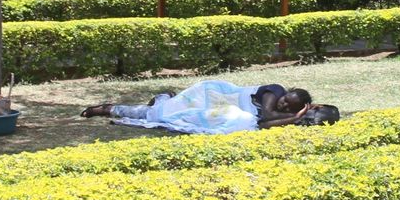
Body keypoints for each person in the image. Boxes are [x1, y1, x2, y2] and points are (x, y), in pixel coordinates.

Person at [81, 81, 319, 134]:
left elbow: (262, 124)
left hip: (215, 109)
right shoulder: (274, 90)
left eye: (288, 106)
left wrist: (294, 117)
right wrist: (292, 116)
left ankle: (164, 98)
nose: (283, 102)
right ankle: (108, 108)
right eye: (287, 98)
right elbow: (267, 116)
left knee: (168, 113)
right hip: (211, 94)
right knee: (159, 113)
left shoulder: (284, 113)